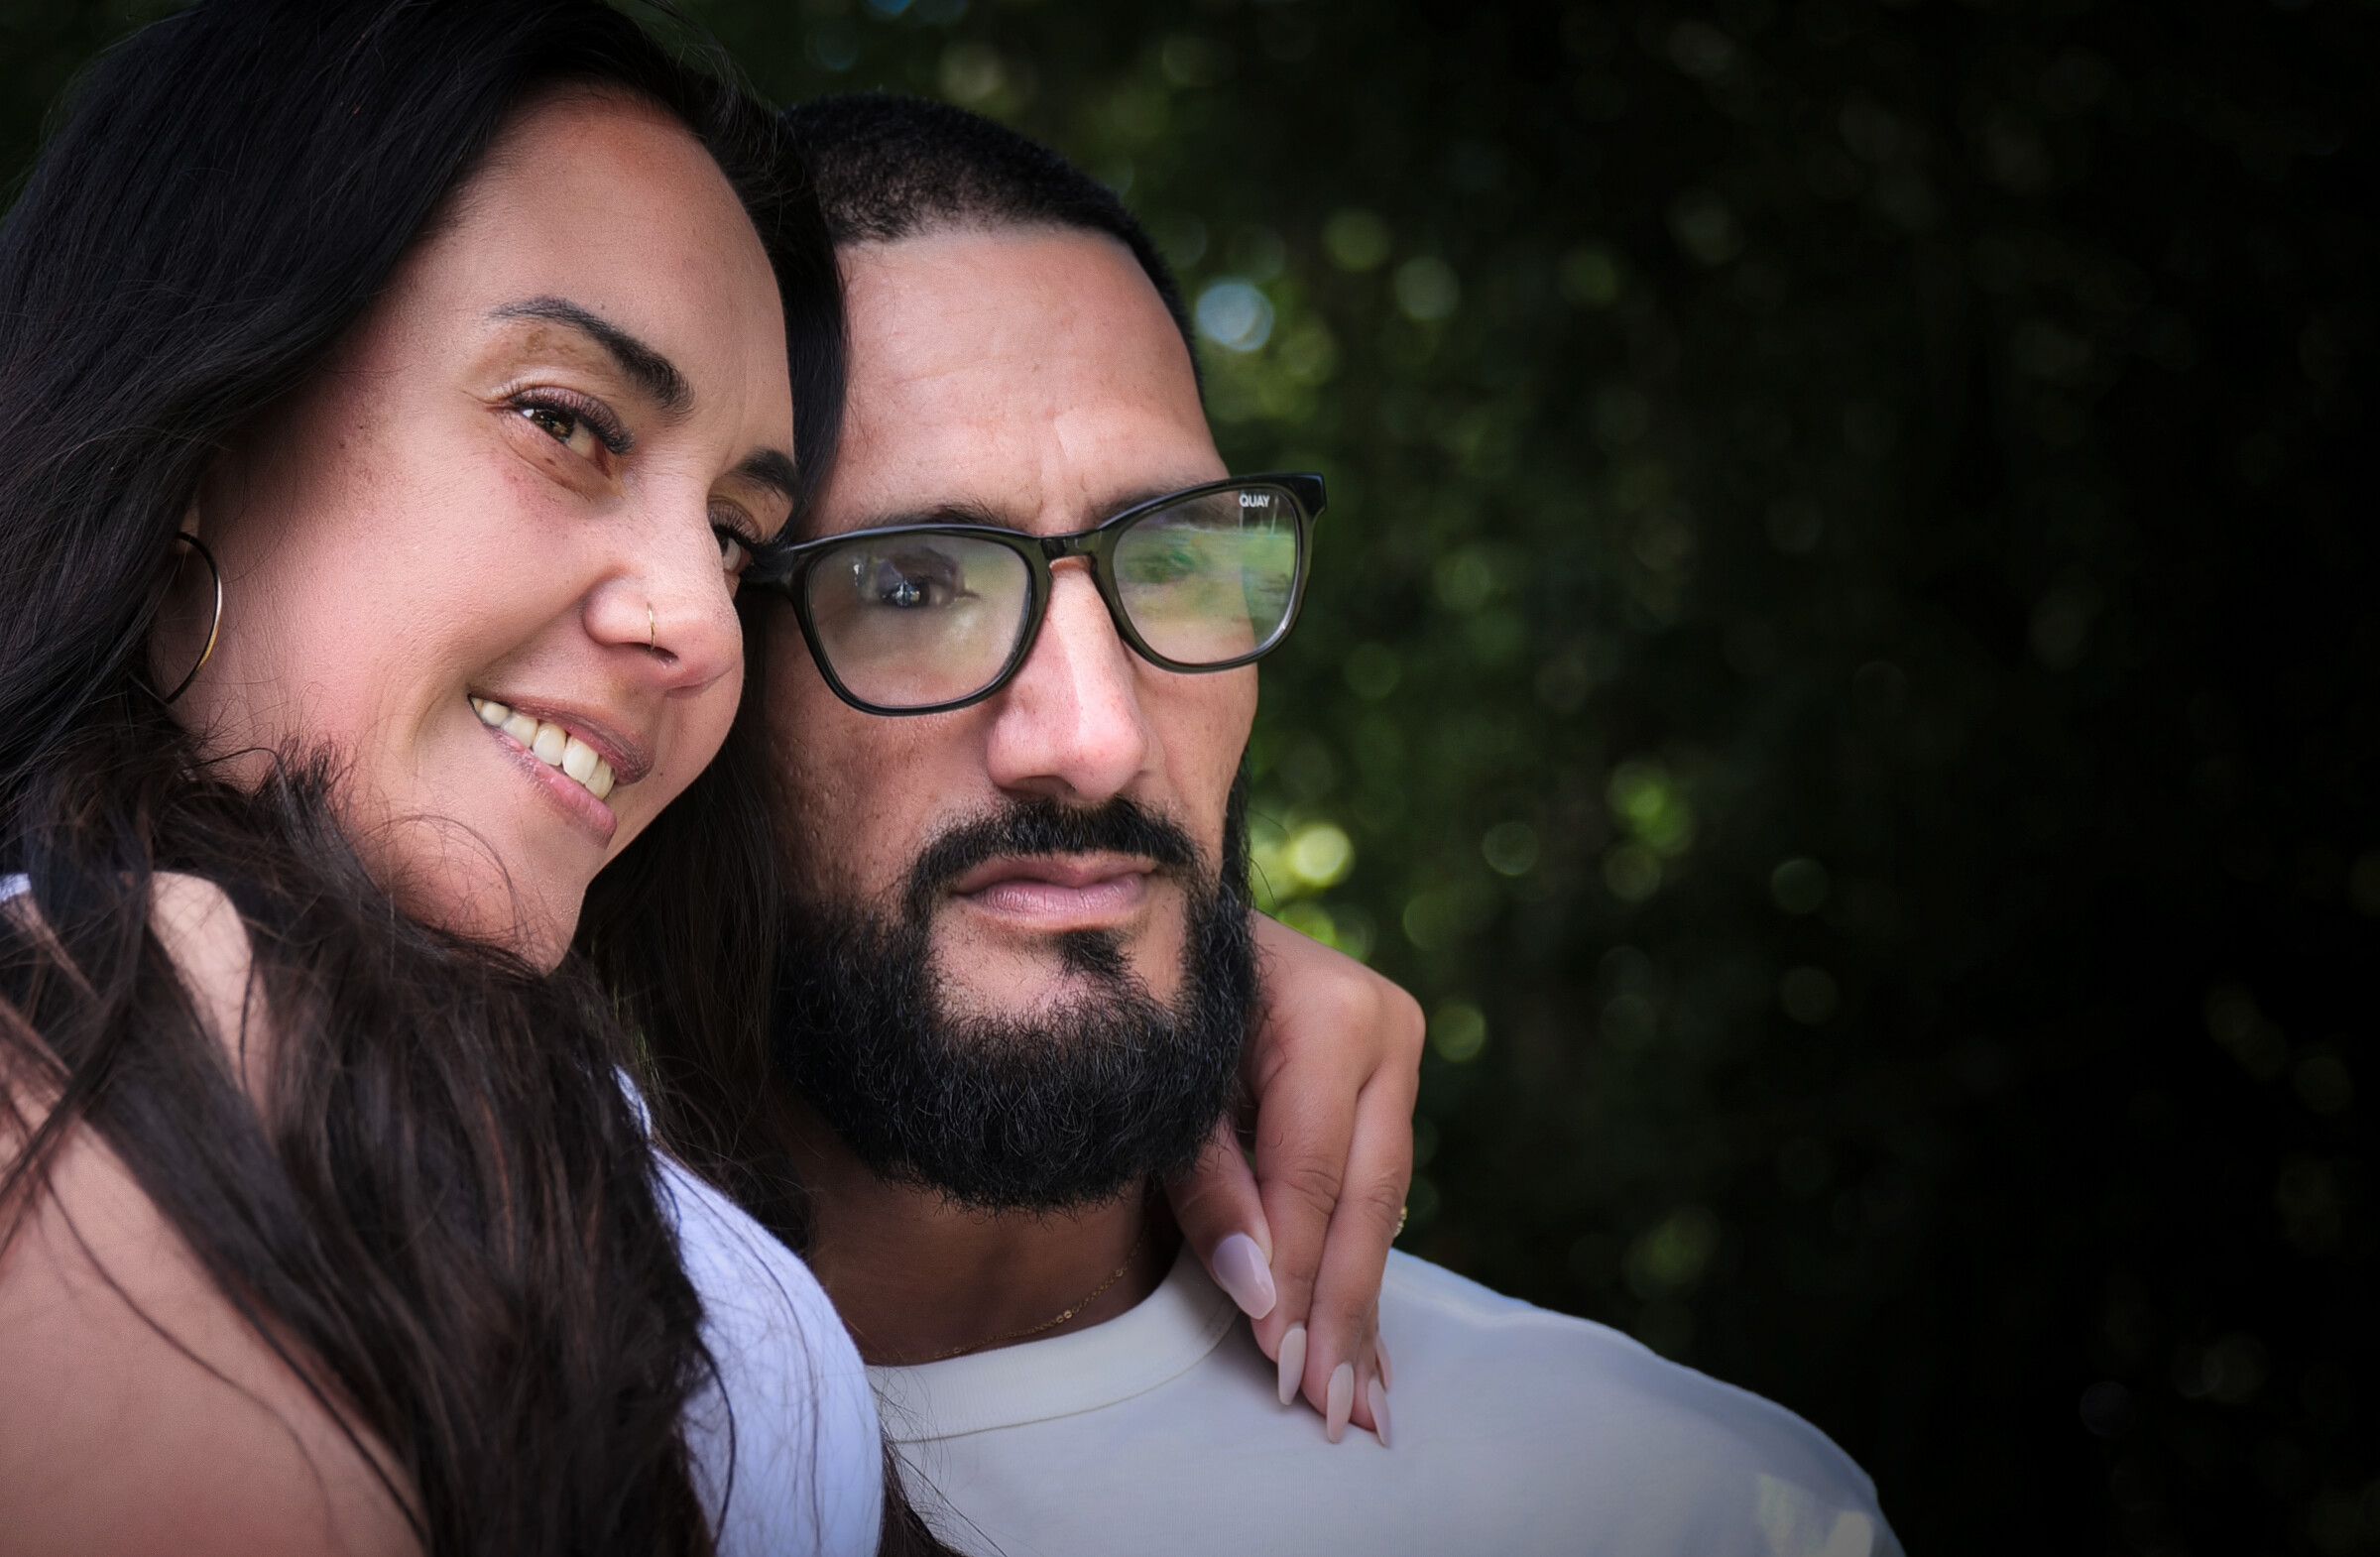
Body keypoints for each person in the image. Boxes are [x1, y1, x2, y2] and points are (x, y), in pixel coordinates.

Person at [0, 7, 1416, 1552]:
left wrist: (1117, 959)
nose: (694, 619)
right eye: (566, 423)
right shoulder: (127, 1026)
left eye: (736, 536)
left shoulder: (410, 1076)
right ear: (204, 430)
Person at [726, 94, 1907, 1556]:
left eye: (1174, 557)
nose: (1097, 737)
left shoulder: (1688, 1506)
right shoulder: (474, 1432)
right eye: (913, 585)